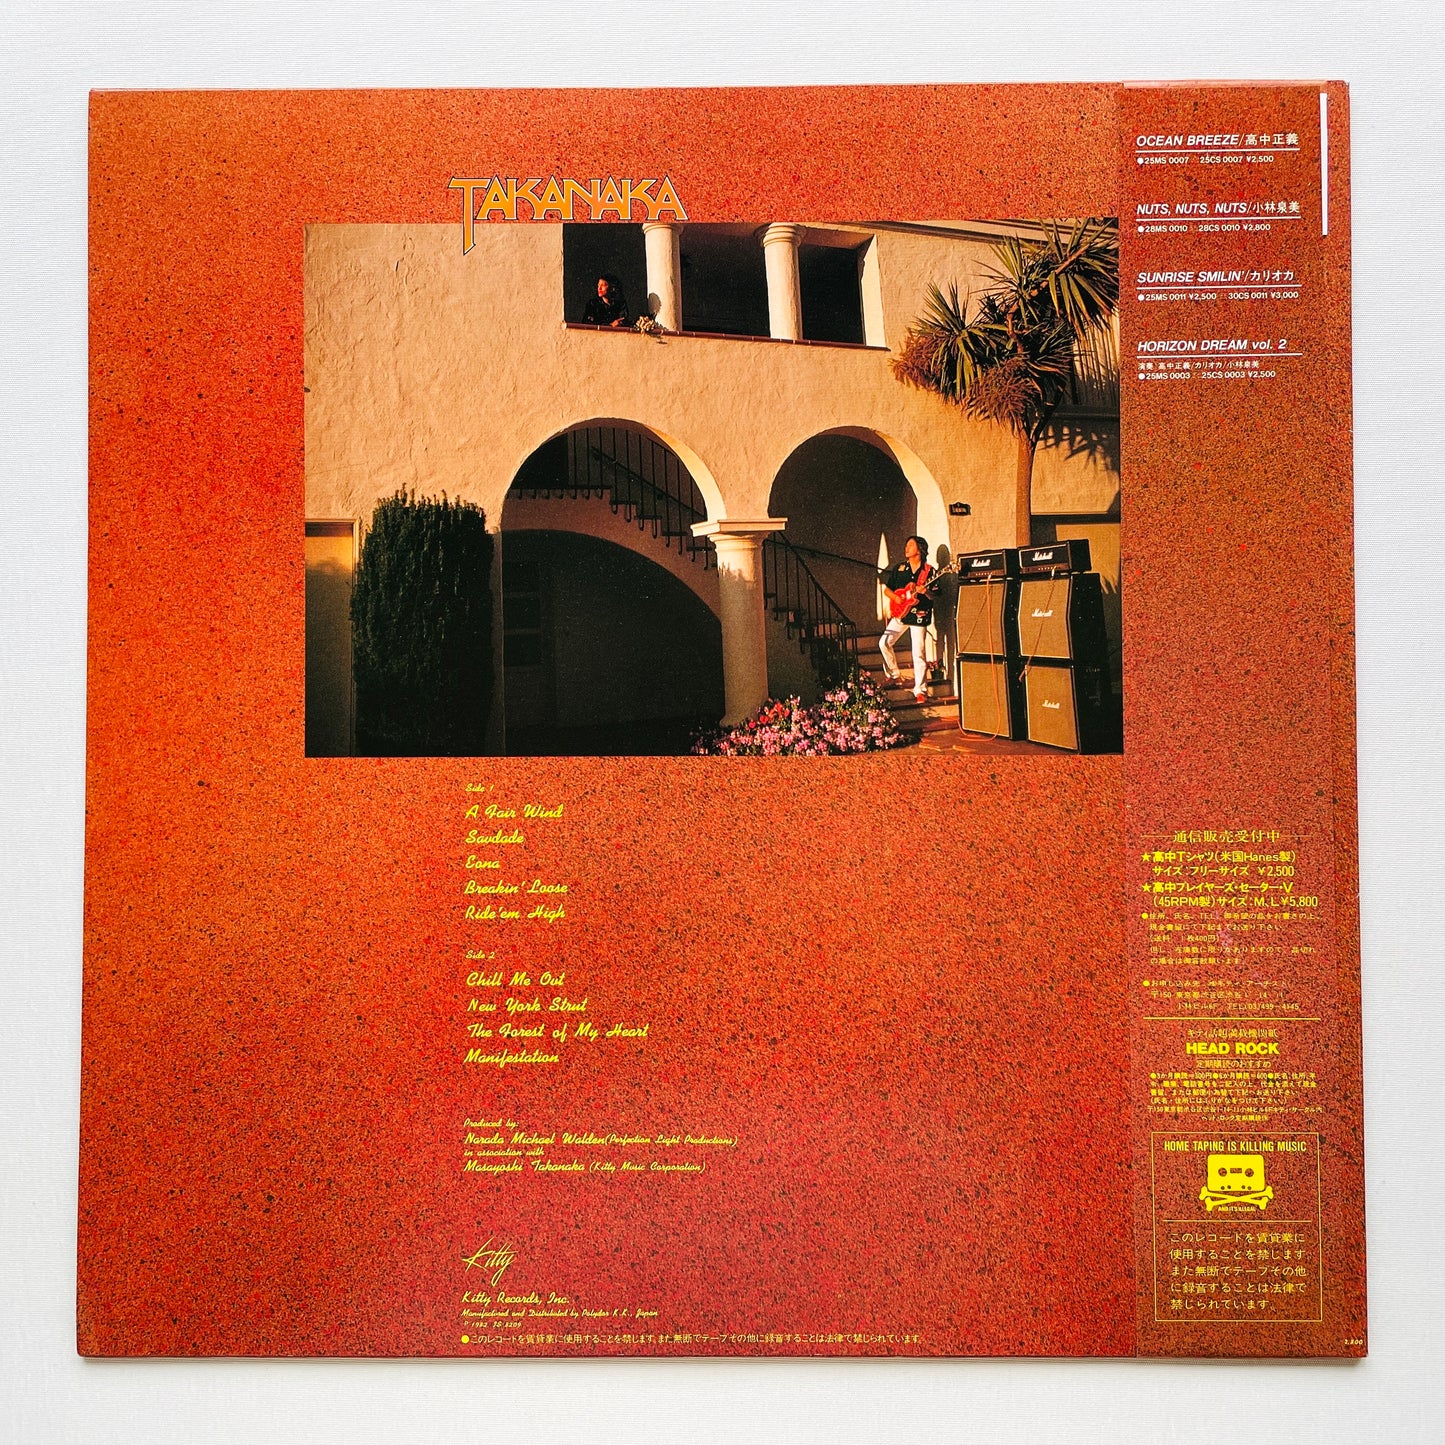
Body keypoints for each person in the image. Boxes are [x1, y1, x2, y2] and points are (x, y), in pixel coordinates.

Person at [879, 535, 935, 703]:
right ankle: (894, 674)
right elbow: (887, 590)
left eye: (910, 545)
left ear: (920, 549)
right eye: (906, 545)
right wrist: (896, 598)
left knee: (918, 653)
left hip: (919, 615)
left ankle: (920, 690)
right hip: (901, 613)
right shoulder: (900, 568)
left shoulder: (929, 571)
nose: (906, 547)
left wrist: (926, 592)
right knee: (884, 642)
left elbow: (935, 595)